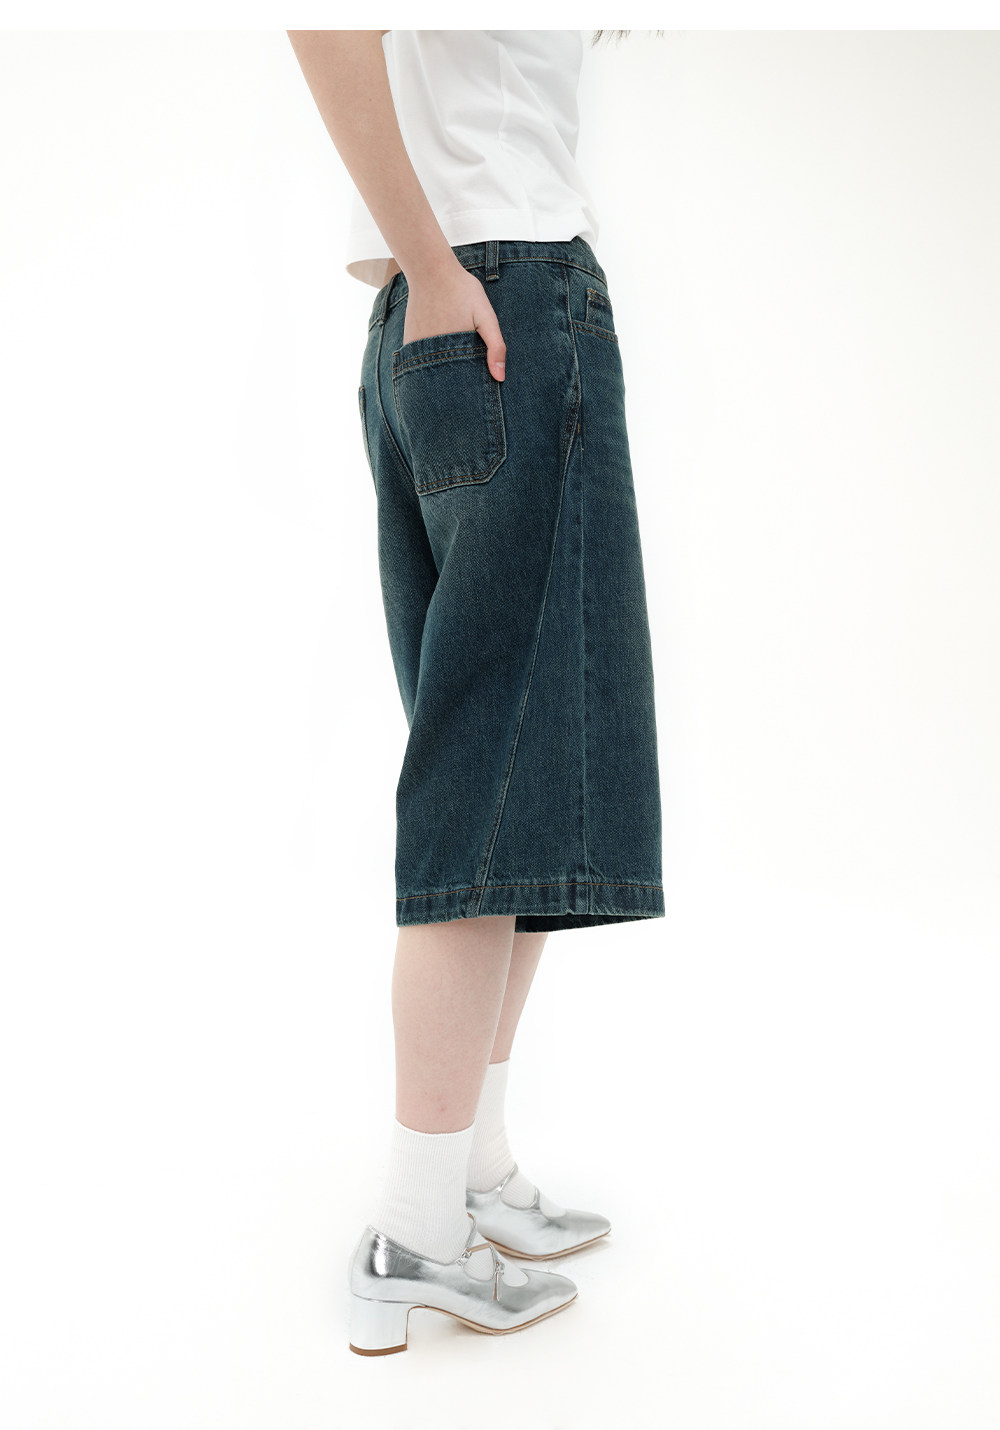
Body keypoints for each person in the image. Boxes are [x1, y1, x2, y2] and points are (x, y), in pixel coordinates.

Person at [286, 28, 664, 1356]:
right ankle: (414, 1232)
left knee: (531, 775)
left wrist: (433, 280)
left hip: (450, 313)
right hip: (500, 302)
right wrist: (441, 268)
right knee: (493, 785)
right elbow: (322, 22)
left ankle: (472, 1172)